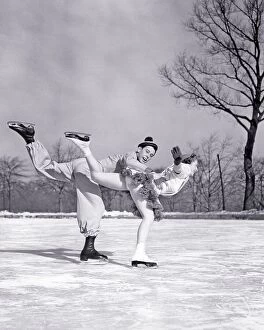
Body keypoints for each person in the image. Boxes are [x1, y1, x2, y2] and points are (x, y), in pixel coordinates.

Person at [7, 121, 158, 263]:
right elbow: (130, 163)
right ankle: (89, 249)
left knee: (47, 168)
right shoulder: (131, 157)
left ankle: (30, 138)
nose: (148, 156)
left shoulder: (134, 164)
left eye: (151, 156)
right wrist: (147, 170)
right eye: (147, 151)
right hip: (88, 170)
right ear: (139, 149)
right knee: (95, 206)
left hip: (80, 165)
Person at [66, 134, 198, 268]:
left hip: (132, 177)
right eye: (196, 165)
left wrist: (176, 163)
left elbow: (175, 172)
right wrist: (177, 163)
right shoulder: (185, 170)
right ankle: (139, 255)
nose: (197, 168)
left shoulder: (178, 170)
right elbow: (179, 171)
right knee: (149, 216)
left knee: (95, 176)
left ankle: (85, 147)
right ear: (189, 163)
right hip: (142, 182)